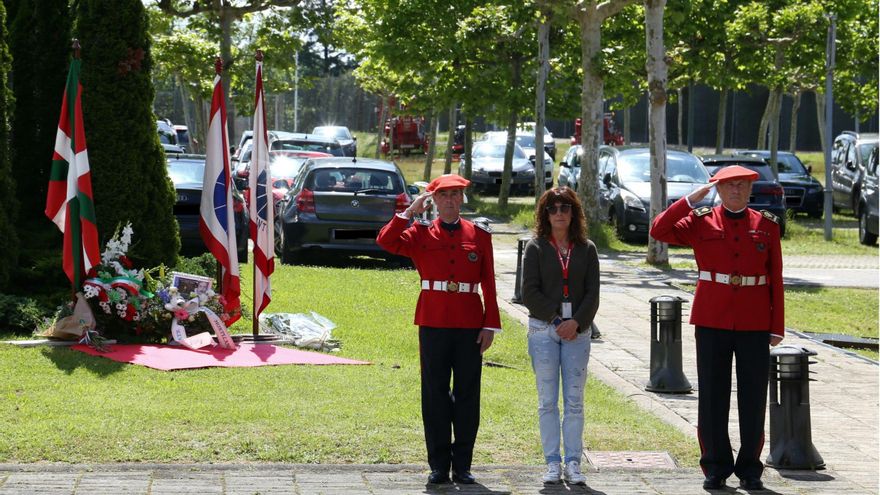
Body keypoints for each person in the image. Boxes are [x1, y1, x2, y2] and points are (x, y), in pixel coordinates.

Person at [649, 165, 784, 492]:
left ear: (750, 190)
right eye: (728, 185)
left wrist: (776, 325)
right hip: (712, 319)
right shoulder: (701, 220)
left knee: (753, 397)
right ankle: (715, 465)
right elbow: (659, 229)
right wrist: (689, 201)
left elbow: (775, 278)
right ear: (718, 189)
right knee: (712, 396)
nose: (735, 190)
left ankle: (750, 468)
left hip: (753, 321)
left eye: (741, 185)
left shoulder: (766, 226)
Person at [376, 174, 501, 485]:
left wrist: (490, 324)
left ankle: (463, 466)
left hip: (470, 324)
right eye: (443, 195)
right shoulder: (420, 233)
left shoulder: (479, 234)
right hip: (433, 322)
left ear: (461, 199)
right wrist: (409, 212)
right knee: (434, 394)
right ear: (433, 200)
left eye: (455, 194)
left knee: (467, 394)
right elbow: (385, 241)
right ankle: (439, 465)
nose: (449, 200)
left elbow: (489, 282)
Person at [521, 187, 599, 486]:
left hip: (577, 331)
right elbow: (529, 292)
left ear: (573, 212)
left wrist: (576, 322)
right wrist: (556, 320)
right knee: (547, 401)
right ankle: (552, 462)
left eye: (564, 207)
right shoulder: (536, 248)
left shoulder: (587, 249)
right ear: (545, 214)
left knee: (575, 400)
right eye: (552, 208)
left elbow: (593, 293)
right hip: (544, 329)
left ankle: (573, 462)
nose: (558, 213)